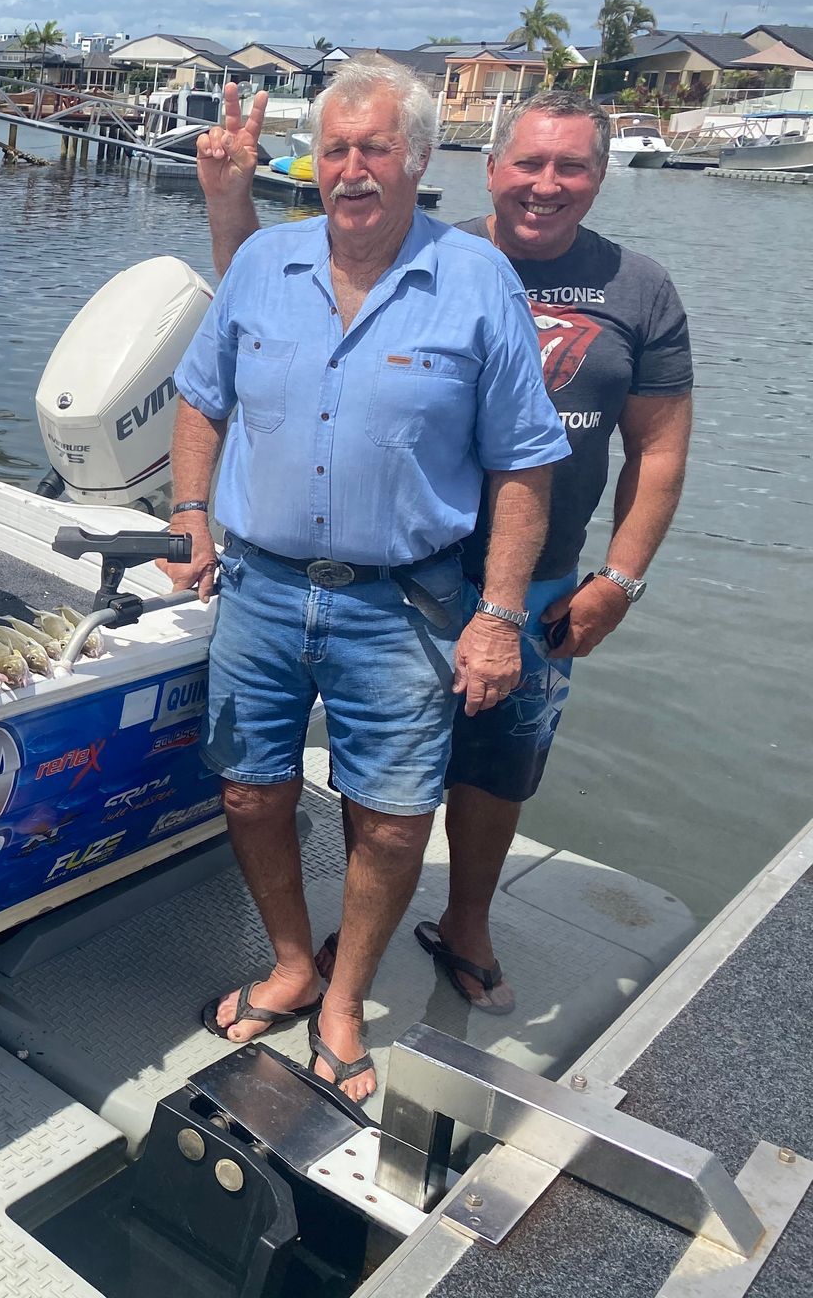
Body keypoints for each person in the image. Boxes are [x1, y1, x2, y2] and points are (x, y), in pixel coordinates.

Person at [197, 82, 693, 1014]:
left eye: (572, 166)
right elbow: (269, 317)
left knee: (494, 768)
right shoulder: (428, 247)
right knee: (386, 787)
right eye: (529, 164)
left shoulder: (635, 287)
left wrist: (618, 580)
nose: (546, 185)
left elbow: (658, 448)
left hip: (531, 577)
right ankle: (346, 947)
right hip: (403, 571)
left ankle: (465, 921)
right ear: (489, 168)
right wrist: (230, 201)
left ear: (600, 176)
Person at [159, 59, 570, 1102]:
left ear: (419, 160)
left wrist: (499, 616)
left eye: (374, 149)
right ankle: (293, 960)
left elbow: (525, 462)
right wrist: (193, 513)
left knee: (390, 816)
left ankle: (344, 999)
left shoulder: (478, 282)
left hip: (405, 601)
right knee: (253, 791)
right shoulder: (262, 266)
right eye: (335, 149)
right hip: (258, 586)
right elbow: (202, 399)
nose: (351, 171)